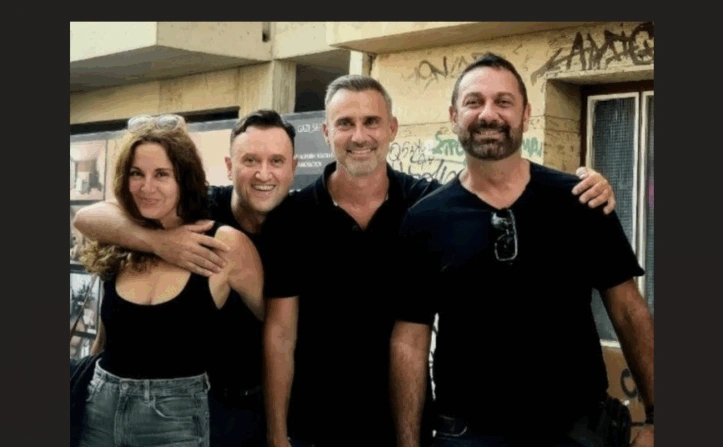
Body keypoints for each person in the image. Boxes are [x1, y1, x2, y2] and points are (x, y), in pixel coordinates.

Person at [259, 74, 619, 447]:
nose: (359, 136)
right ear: (326, 132)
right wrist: (277, 436)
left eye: (371, 122)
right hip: (314, 427)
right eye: (345, 123)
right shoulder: (293, 218)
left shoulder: (427, 207)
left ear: (392, 128)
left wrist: (582, 189)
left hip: (406, 425)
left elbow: (509, 199)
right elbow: (280, 336)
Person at [389, 53, 654, 447]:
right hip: (468, 435)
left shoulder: (580, 200)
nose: (488, 114)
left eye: (504, 101)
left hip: (576, 432)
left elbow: (628, 311)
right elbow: (410, 340)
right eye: (474, 102)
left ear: (526, 115)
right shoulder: (424, 220)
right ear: (454, 116)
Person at [73, 109, 299, 447]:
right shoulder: (127, 239)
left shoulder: (231, 242)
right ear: (230, 165)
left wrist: (277, 435)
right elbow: (86, 218)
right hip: (101, 407)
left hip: (198, 409)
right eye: (137, 173)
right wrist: (160, 242)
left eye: (162, 174)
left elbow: (276, 332)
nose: (147, 186)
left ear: (183, 178)